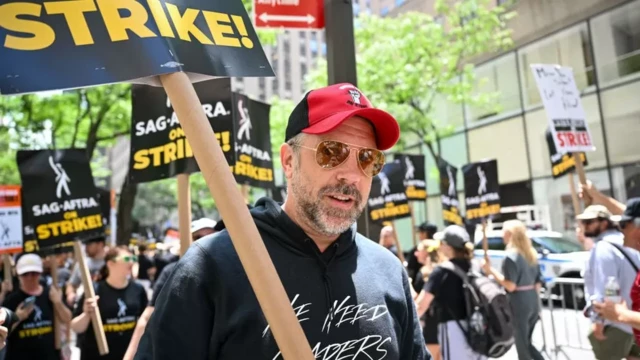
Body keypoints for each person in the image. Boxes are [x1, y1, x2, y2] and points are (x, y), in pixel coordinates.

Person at [135, 83, 428, 359]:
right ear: (289, 161)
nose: (351, 175)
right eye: (331, 152)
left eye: (367, 159)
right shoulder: (211, 265)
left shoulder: (388, 270)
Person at [123, 218, 221, 360]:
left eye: (211, 236)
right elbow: (149, 315)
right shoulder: (172, 272)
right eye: (198, 237)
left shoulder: (230, 273)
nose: (204, 242)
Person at [414, 225, 485, 360]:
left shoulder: (442, 271)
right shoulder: (476, 267)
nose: (439, 246)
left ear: (448, 246)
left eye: (441, 243)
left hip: (453, 329)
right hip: (479, 328)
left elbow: (421, 306)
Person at [579, 204, 640, 359]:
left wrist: (599, 320)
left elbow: (607, 286)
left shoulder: (603, 248)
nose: (584, 226)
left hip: (617, 322)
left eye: (589, 222)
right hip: (632, 319)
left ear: (604, 223)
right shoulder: (626, 241)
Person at [482, 220, 544, 360]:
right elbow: (538, 282)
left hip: (519, 302)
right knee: (527, 342)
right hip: (532, 300)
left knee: (522, 344)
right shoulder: (531, 254)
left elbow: (510, 285)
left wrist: (490, 271)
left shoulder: (511, 256)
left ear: (509, 234)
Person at [72, 246, 148, 360]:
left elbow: (145, 323)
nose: (132, 262)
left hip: (128, 356)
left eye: (133, 258)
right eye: (127, 259)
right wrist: (87, 314)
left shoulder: (138, 289)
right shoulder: (94, 290)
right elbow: (76, 327)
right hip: (97, 355)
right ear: (110, 263)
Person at [3, 254, 71, 360]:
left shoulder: (51, 294)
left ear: (40, 273)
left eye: (34, 273)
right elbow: (2, 331)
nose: (30, 278)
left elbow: (67, 319)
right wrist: (18, 317)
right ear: (18, 275)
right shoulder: (12, 299)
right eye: (25, 274)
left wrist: (58, 303)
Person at [412, 238, 444, 360]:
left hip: (430, 325)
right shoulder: (441, 270)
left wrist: (408, 285)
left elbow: (419, 301)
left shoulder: (425, 272)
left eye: (418, 250)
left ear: (426, 252)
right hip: (444, 325)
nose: (415, 253)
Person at [66, 236, 106, 306]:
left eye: (89, 244)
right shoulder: (82, 263)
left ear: (100, 244)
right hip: (85, 305)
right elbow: (71, 284)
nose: (86, 248)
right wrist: (70, 294)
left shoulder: (110, 263)